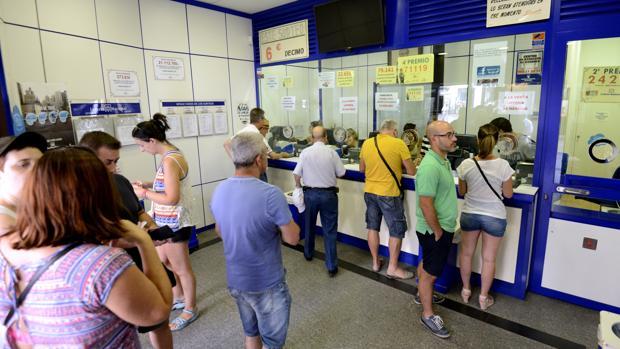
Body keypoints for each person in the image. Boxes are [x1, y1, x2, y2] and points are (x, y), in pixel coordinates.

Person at [0, 147, 171, 347]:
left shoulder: (11, 255)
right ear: (98, 193)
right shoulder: (101, 263)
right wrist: (144, 242)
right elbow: (157, 312)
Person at [79, 131, 174, 348]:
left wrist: (150, 228)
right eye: (107, 162)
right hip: (110, 271)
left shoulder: (120, 181)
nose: (113, 168)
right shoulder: (81, 196)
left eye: (116, 161)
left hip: (141, 259)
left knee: (159, 321)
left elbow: (139, 212)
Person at [211, 132, 300, 349]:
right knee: (272, 343)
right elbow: (293, 238)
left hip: (237, 281)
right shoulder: (271, 194)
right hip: (266, 284)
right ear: (259, 159)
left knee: (251, 334)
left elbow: (219, 231)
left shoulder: (219, 190)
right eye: (265, 154)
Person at [132, 113, 198, 332]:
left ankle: (190, 308)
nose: (141, 150)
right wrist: (149, 183)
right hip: (163, 220)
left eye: (141, 145)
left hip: (176, 222)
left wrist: (144, 193)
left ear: (152, 140)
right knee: (166, 263)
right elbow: (167, 183)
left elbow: (171, 197)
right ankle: (178, 296)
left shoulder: (171, 160)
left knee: (182, 268)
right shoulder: (169, 157)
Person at [457, 124, 513, 310]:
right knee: (488, 259)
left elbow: (462, 191)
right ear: (496, 141)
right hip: (494, 217)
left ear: (477, 140)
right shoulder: (503, 166)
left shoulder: (465, 164)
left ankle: (465, 291)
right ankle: (483, 297)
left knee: (466, 254)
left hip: (470, 213)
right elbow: (509, 195)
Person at [415, 120, 458, 338]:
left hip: (437, 228)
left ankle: (421, 294)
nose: (454, 138)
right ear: (434, 139)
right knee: (431, 275)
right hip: (435, 230)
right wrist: (438, 231)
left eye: (453, 133)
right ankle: (428, 314)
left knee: (427, 263)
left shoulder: (442, 160)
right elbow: (425, 203)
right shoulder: (430, 167)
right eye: (449, 134)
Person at [359, 119, 417, 279]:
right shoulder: (398, 143)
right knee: (396, 231)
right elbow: (412, 171)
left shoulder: (367, 143)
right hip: (389, 193)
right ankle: (392, 268)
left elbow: (362, 168)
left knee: (372, 227)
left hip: (370, 191)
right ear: (395, 131)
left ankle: (376, 262)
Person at [293, 126, 346, 276]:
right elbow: (341, 173)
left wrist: (298, 187)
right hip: (328, 196)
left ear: (312, 137)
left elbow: (296, 174)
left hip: (310, 194)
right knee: (329, 230)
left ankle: (308, 254)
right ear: (326, 138)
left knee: (309, 225)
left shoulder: (305, 152)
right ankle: (331, 266)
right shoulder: (332, 153)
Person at [0, 132, 47, 237]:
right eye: (24, 164)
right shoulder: (4, 224)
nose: (37, 171)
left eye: (40, 164)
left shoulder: (29, 208)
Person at [224, 107, 279, 182]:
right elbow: (273, 155)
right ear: (260, 120)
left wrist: (237, 161)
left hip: (243, 172)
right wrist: (282, 154)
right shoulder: (257, 135)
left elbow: (226, 144)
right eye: (263, 119)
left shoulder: (243, 131)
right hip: (257, 173)